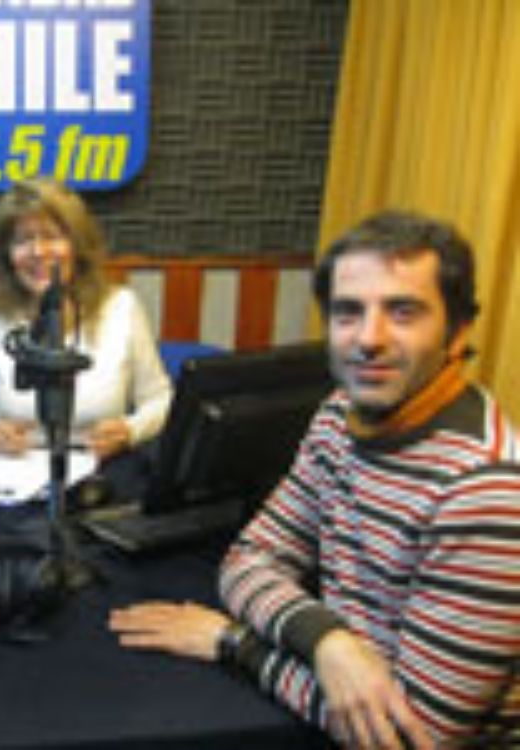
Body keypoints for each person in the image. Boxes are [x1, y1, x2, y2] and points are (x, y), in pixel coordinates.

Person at [109, 211, 520, 749]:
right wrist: (328, 641)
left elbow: (409, 737)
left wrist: (233, 643)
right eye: (349, 312)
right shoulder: (337, 416)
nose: (368, 338)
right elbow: (248, 558)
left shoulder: (486, 492)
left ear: (457, 331)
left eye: (403, 311)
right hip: (330, 702)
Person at [0, 177, 172, 461]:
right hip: (12, 474)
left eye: (52, 236)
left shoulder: (122, 308)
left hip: (101, 471)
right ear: (7, 256)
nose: (38, 252)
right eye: (23, 240)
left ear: (77, 246)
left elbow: (161, 400)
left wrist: (130, 430)